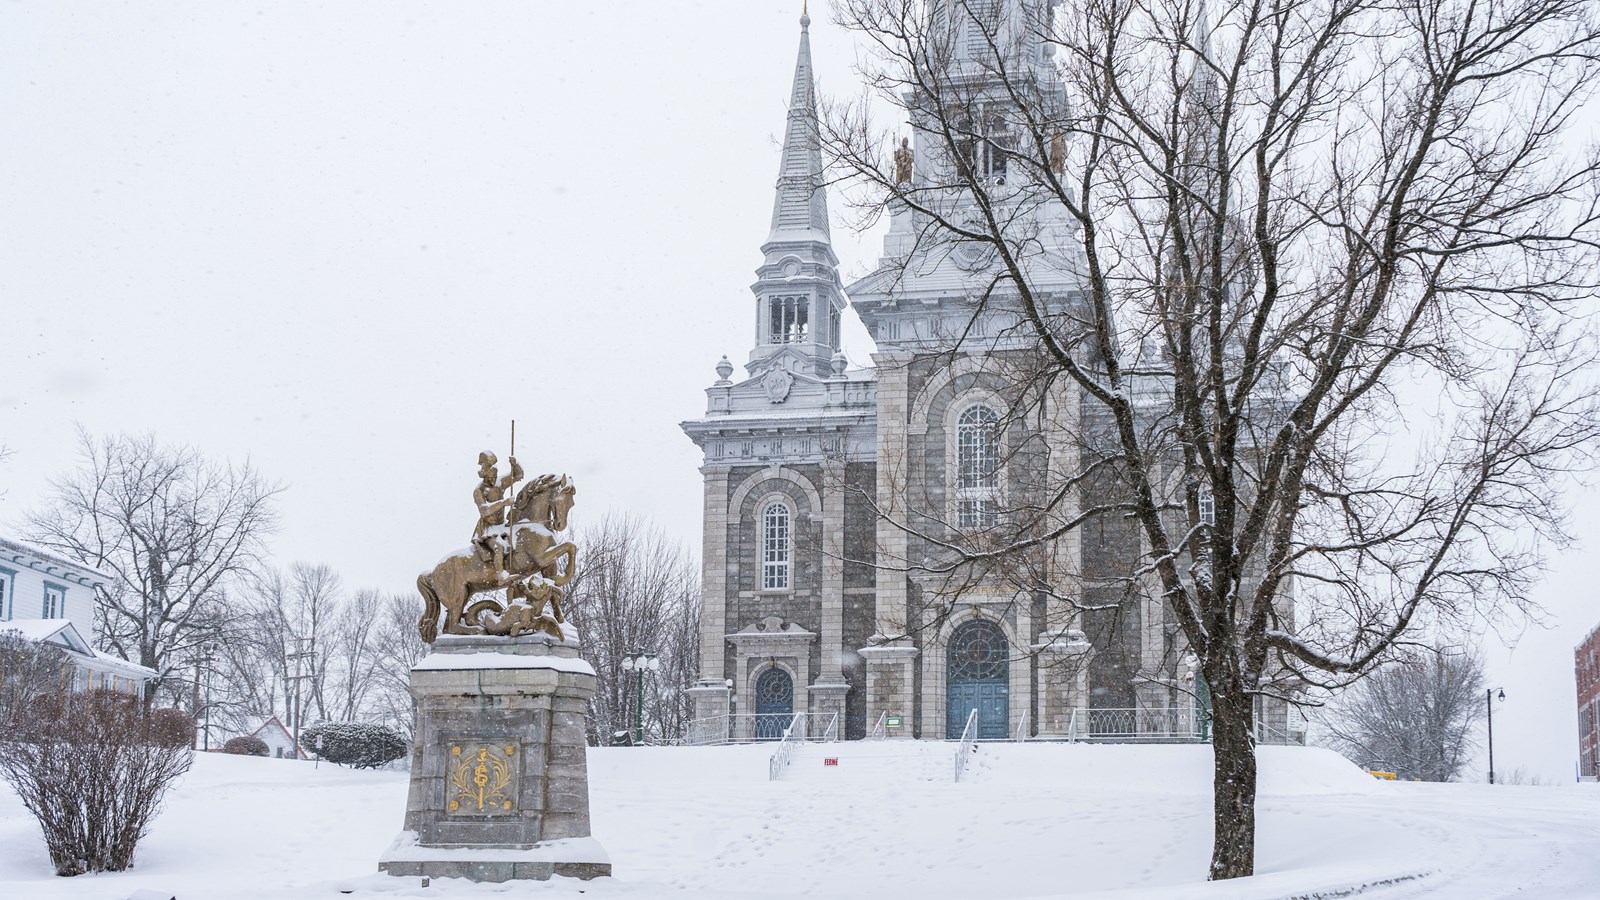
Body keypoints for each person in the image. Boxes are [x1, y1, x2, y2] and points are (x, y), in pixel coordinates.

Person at [472, 451, 523, 576]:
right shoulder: (479, 490)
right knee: (498, 547)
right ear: (484, 476)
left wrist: (515, 465)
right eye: (490, 478)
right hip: (488, 529)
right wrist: (504, 503)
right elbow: (484, 510)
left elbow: (518, 475)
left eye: (494, 477)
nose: (493, 480)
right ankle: (501, 576)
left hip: (501, 526)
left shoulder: (499, 483)